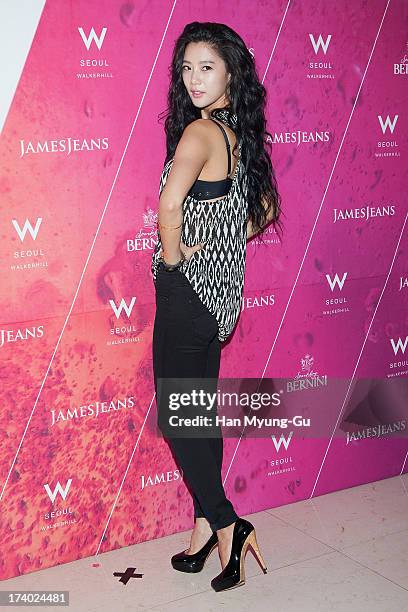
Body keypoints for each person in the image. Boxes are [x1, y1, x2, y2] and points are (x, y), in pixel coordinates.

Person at [151, 21, 283, 592]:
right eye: (186, 67)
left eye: (207, 66)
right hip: (221, 299)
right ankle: (206, 526)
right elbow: (266, 207)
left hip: (188, 296)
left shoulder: (200, 134)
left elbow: (167, 206)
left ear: (231, 71)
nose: (194, 79)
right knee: (199, 409)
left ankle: (229, 523)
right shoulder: (240, 134)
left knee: (180, 416)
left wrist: (177, 255)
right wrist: (224, 234)